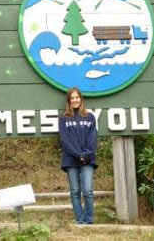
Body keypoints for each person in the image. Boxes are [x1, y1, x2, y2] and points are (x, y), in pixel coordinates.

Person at [58, 87, 98, 224]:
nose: (75, 100)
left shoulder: (90, 117)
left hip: (88, 159)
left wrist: (85, 155)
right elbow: (65, 140)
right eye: (72, 98)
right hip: (71, 160)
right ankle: (79, 220)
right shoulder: (63, 119)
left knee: (87, 190)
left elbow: (93, 139)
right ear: (69, 101)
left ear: (81, 99)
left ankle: (88, 220)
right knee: (75, 191)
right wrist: (77, 154)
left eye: (77, 97)